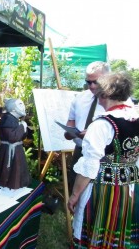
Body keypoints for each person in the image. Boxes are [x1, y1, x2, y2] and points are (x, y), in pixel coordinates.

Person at [67, 72, 139, 248]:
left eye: (98, 94)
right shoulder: (136, 117)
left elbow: (90, 166)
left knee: (99, 232)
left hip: (104, 190)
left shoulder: (102, 124)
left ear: (105, 94)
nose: (97, 99)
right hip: (130, 185)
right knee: (121, 232)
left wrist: (74, 195)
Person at [64, 61, 110, 189]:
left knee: (98, 194)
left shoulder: (118, 100)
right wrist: (69, 133)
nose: (92, 86)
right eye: (88, 82)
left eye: (97, 82)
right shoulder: (79, 98)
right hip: (80, 151)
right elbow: (70, 123)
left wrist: (92, 135)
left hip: (106, 155)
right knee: (75, 189)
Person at [0, 98, 31, 189]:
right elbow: (12, 138)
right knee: (10, 170)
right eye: (20, 104)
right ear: (13, 108)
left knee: (17, 168)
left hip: (16, 149)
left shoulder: (14, 119)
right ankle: (10, 184)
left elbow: (21, 137)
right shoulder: (7, 119)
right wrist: (22, 127)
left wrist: (23, 128)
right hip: (10, 149)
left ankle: (17, 184)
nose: (23, 106)